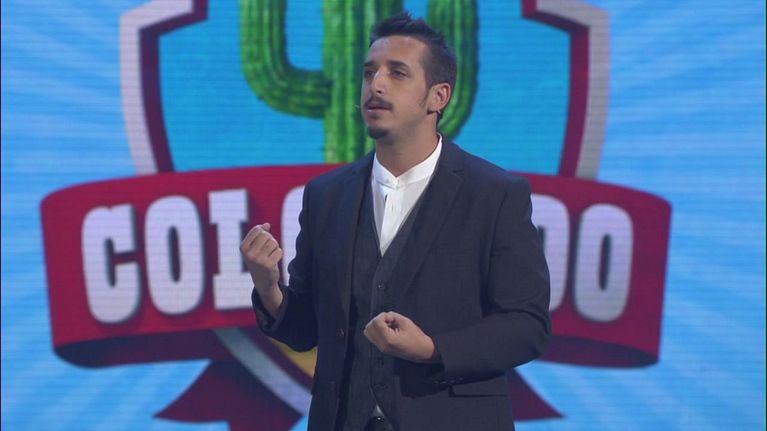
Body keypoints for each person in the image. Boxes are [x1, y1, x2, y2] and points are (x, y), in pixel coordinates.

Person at [242, 11, 551, 431]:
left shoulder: (494, 195)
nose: (376, 84)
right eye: (369, 72)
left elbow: (527, 326)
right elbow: (306, 330)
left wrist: (432, 348)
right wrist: (268, 287)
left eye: (397, 73)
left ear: (438, 97)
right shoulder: (326, 196)